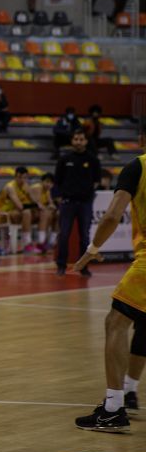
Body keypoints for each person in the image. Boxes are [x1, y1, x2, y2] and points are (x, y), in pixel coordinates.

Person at [70, 121, 146, 432]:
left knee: (115, 321)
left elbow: (113, 215)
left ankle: (113, 407)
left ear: (141, 138)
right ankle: (128, 389)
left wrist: (92, 248)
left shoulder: (138, 166)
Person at [54, 128, 101, 276]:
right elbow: (57, 181)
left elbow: (96, 181)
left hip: (85, 203)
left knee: (85, 236)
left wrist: (87, 193)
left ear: (86, 141)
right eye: (76, 139)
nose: (78, 142)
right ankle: (61, 265)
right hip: (68, 203)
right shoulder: (64, 160)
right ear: (72, 141)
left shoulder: (93, 160)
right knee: (64, 234)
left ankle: (84, 267)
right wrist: (60, 198)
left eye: (81, 139)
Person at [0, 167, 40, 254]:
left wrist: (31, 195)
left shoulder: (26, 186)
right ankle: (27, 244)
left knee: (40, 213)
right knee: (27, 212)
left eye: (24, 177)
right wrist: (34, 205)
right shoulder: (10, 187)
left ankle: (42, 242)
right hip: (5, 214)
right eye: (19, 177)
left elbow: (36, 203)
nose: (22, 180)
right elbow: (20, 206)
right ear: (15, 177)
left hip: (17, 213)